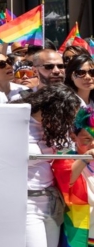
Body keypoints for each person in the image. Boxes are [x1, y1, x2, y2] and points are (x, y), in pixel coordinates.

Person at [13, 85, 79, 247]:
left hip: (51, 202)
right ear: (56, 109)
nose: (68, 122)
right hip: (27, 204)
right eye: (67, 116)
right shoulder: (17, 124)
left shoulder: (52, 130)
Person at [51, 105, 94, 247]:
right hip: (80, 229)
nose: (93, 144)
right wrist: (85, 158)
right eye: (87, 139)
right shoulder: (66, 159)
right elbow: (67, 181)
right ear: (73, 137)